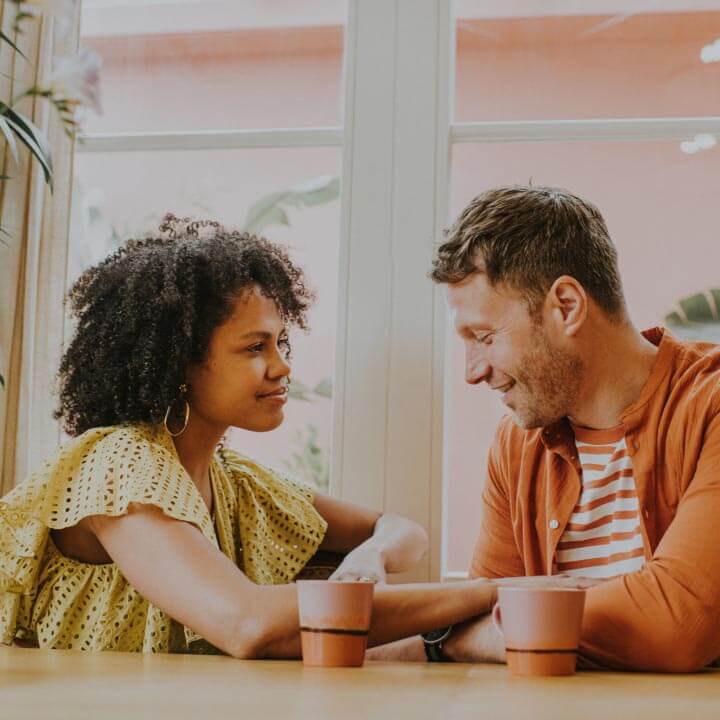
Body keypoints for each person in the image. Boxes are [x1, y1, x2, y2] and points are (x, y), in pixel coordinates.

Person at [0, 215, 497, 656]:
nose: (282, 366)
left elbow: (403, 531)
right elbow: (249, 624)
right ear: (181, 361)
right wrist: (495, 593)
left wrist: (371, 554)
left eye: (281, 341)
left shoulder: (233, 481)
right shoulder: (121, 465)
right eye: (256, 346)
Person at [370, 186, 720, 672]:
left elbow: (675, 623)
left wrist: (449, 638)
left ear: (568, 306)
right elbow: (476, 621)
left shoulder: (710, 407)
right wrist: (465, 634)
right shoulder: (517, 443)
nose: (472, 371)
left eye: (485, 337)